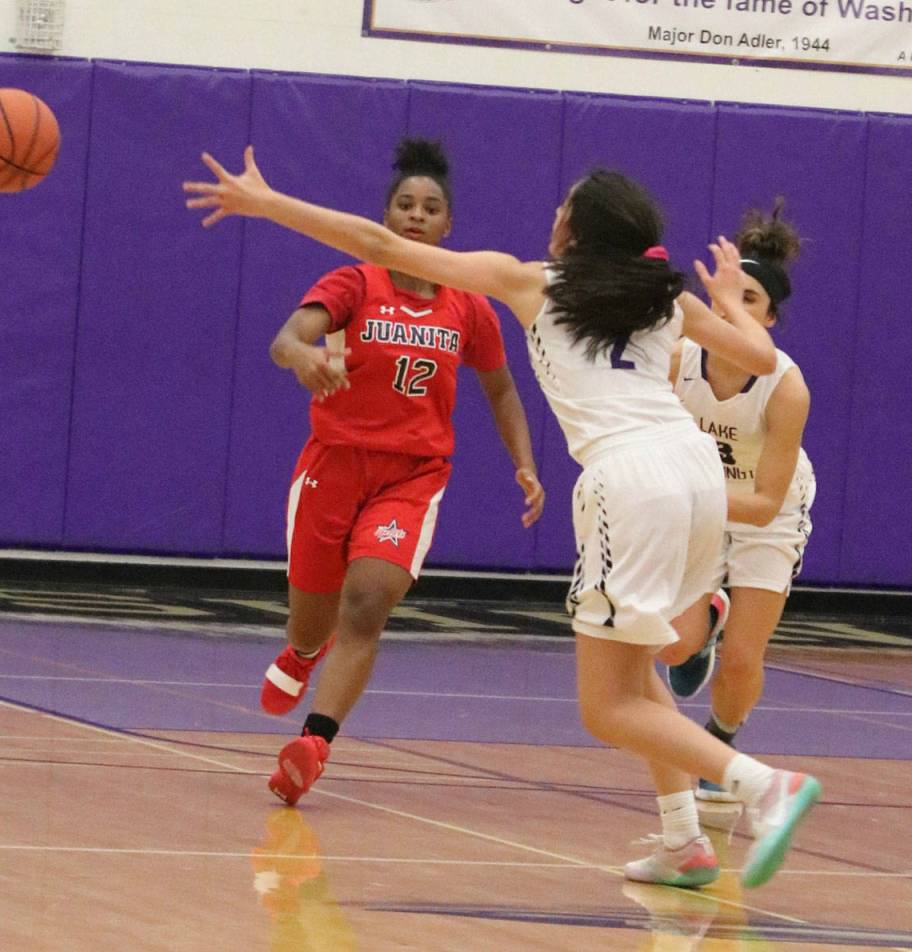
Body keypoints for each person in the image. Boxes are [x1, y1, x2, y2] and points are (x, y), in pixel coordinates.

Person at [183, 147, 821, 889]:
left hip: (634, 482)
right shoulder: (665, 293)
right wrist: (733, 303)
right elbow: (759, 354)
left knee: (605, 705)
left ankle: (758, 785)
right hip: (697, 478)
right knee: (635, 661)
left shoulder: (531, 282)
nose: (553, 216)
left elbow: (382, 245)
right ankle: (683, 841)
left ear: (574, 231)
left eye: (564, 207)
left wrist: (269, 204)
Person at [205, 138, 544, 808]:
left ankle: (314, 745)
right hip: (334, 464)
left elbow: (501, 390)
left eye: (431, 208)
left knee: (366, 603)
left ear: (449, 227)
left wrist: (525, 463)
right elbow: (286, 338)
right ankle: (303, 655)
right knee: (311, 621)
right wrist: (303, 358)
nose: (417, 216)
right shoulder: (356, 281)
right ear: (387, 218)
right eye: (405, 205)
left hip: (412, 477)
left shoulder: (470, 305)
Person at [666, 202, 815, 807]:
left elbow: (762, 504)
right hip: (701, 499)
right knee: (674, 644)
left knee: (742, 662)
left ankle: (722, 740)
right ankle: (702, 628)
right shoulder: (678, 359)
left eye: (749, 301)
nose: (732, 308)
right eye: (729, 295)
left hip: (765, 511)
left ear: (770, 319)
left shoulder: (786, 387)